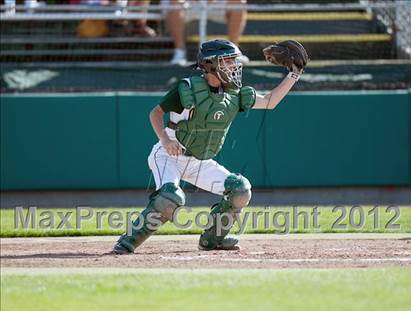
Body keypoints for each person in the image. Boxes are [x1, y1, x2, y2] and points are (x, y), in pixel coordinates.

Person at [112, 39, 304, 254]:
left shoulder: (233, 94)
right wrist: (166, 140)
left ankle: (213, 239)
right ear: (211, 64)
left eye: (234, 61)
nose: (234, 66)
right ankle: (128, 241)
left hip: (199, 161)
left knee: (240, 190)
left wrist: (294, 74)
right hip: (168, 156)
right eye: (228, 61)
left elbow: (270, 101)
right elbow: (155, 113)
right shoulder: (188, 88)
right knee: (170, 199)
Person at [166, 0, 247, 65]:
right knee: (175, 3)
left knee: (238, 2)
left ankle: (233, 51)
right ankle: (179, 51)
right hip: (189, 4)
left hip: (214, 4)